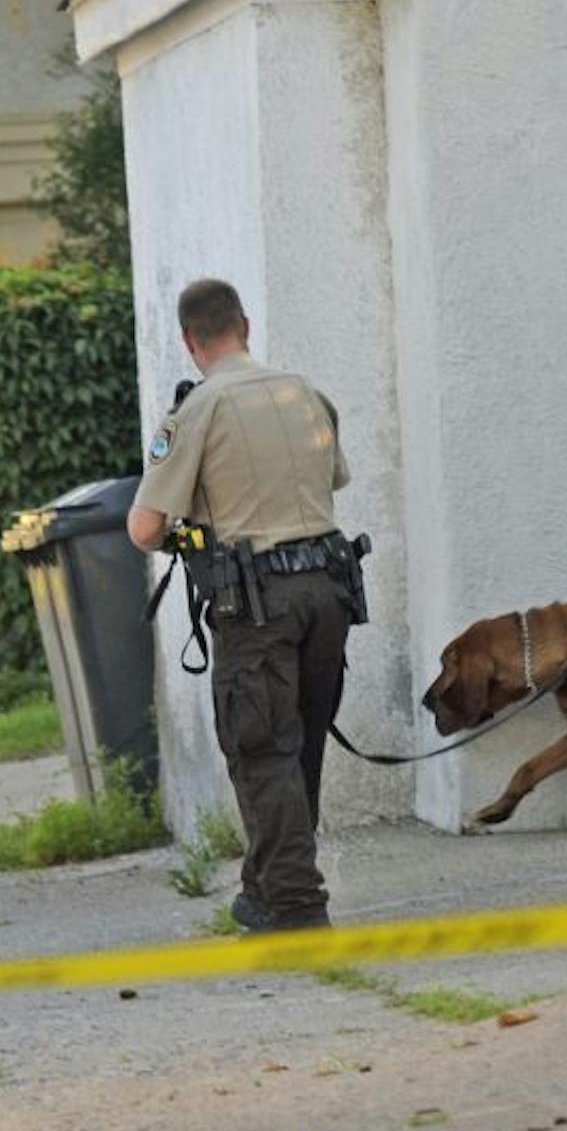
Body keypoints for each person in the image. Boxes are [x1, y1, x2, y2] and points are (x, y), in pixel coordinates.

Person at [126, 279, 354, 934]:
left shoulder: (197, 411)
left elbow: (145, 529)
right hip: (329, 591)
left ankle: (295, 904)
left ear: (189, 341)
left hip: (258, 603)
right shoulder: (307, 394)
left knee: (262, 750)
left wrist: (188, 525)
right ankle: (265, 886)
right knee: (299, 743)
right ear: (245, 326)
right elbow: (332, 479)